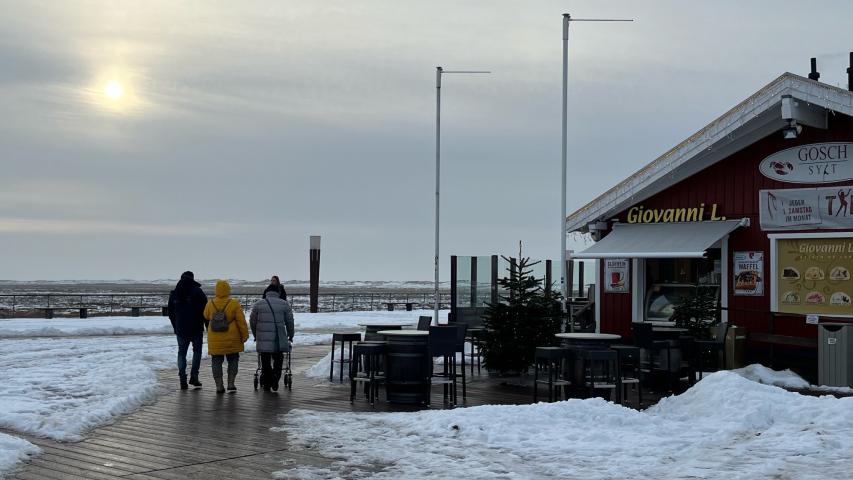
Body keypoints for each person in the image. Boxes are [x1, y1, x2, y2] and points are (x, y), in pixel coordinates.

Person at [203, 280, 249, 394]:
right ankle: (231, 383)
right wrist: (244, 335)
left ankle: (219, 386)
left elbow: (206, 315)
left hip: (215, 338)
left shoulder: (210, 303)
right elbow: (241, 322)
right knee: (233, 360)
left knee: (216, 361)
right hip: (232, 338)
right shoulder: (234, 303)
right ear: (228, 290)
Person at [167, 271, 208, 390]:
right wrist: (207, 326)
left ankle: (182, 379)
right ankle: (194, 376)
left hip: (181, 328)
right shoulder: (198, 292)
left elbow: (170, 313)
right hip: (196, 328)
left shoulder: (174, 293)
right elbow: (205, 311)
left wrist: (175, 326)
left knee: (181, 353)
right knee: (197, 351)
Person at [250, 286, 295, 391]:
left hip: (263, 338)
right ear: (277, 293)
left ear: (266, 293)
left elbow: (252, 321)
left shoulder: (258, 304)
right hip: (278, 338)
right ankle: (275, 378)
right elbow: (290, 321)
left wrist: (255, 335)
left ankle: (267, 382)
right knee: (278, 359)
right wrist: (290, 334)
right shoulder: (284, 304)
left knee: (265, 360)